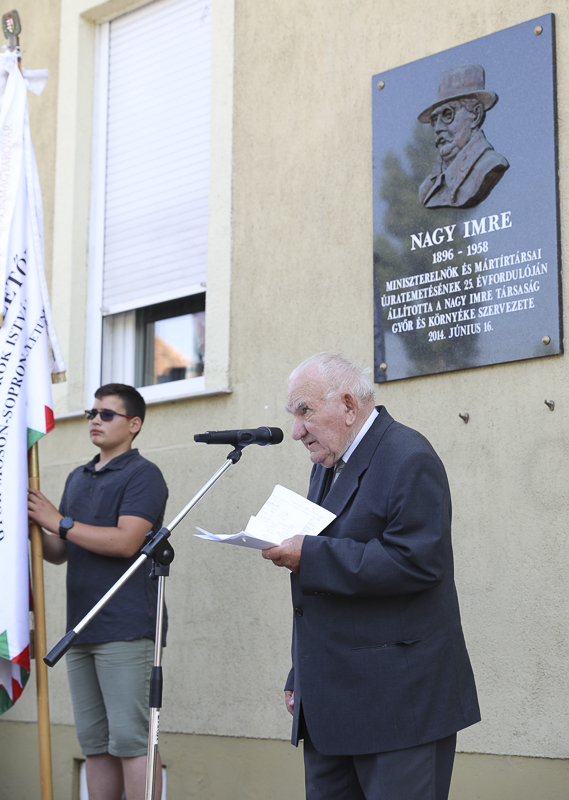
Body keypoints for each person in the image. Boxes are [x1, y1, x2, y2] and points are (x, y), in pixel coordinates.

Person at [262, 353, 480, 800]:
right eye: (293, 415)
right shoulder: (328, 463)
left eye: (305, 412)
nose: (296, 431)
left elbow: (417, 561)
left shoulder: (407, 455)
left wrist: (310, 555)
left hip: (398, 703)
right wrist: (300, 672)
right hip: (330, 699)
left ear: (347, 405)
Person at [28, 383, 168, 800]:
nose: (95, 420)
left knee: (132, 741)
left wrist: (59, 521)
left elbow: (127, 542)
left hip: (126, 627)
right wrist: (32, 526)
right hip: (80, 629)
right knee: (95, 745)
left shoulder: (143, 475)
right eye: (92, 413)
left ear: (134, 424)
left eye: (107, 414)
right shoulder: (78, 476)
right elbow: (60, 551)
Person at [418, 63, 509, 208]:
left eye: (448, 114)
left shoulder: (491, 164)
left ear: (476, 115)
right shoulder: (427, 187)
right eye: (434, 120)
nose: (438, 128)